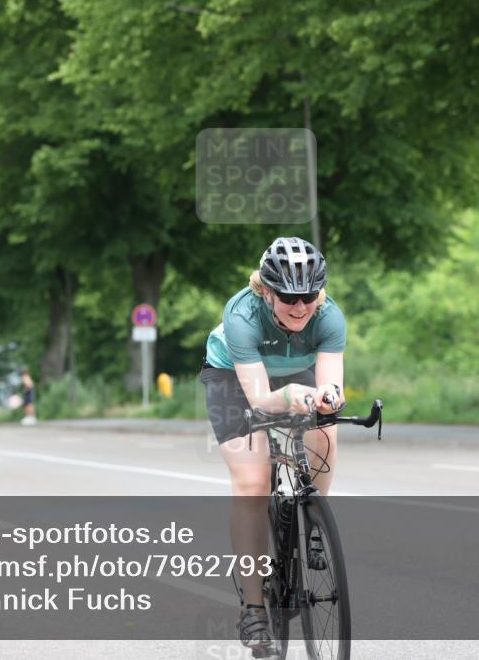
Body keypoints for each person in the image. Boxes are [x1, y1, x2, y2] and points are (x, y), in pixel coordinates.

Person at [200, 236, 346, 651]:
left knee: (325, 426)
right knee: (253, 480)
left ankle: (314, 522)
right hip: (234, 378)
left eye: (309, 297)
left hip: (294, 373)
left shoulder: (329, 317)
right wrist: (290, 396)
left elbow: (331, 383)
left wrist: (328, 396)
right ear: (266, 292)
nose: (300, 307)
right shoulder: (241, 315)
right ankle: (253, 607)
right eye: (288, 297)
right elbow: (261, 398)